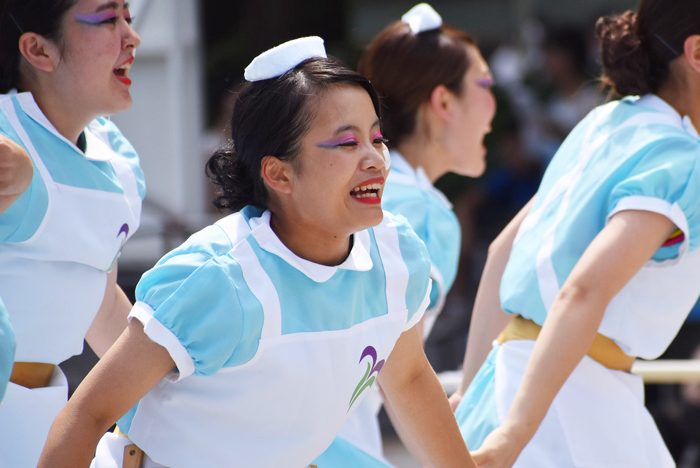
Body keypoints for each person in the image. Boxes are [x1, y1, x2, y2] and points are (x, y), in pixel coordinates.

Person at [37, 37, 475, 468]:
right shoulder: (218, 277)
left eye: (376, 139)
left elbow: (410, 377)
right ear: (278, 174)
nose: (376, 160)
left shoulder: (397, 256)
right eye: (347, 143)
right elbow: (89, 414)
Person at [450, 0, 700, 467]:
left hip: (512, 380)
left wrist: (469, 392)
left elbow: (506, 247)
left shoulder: (602, 123)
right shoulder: (682, 159)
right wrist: (514, 434)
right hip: (568, 401)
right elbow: (583, 290)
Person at [313, 4, 495, 467]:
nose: (495, 105)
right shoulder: (423, 215)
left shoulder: (363, 193)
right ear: (444, 103)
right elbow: (397, 365)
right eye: (485, 85)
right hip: (330, 439)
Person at [0, 0, 144, 465]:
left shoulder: (115, 156)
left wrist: (174, 397)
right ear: (38, 50)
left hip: (50, 414)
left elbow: (99, 302)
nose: (131, 37)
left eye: (129, 18)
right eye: (107, 20)